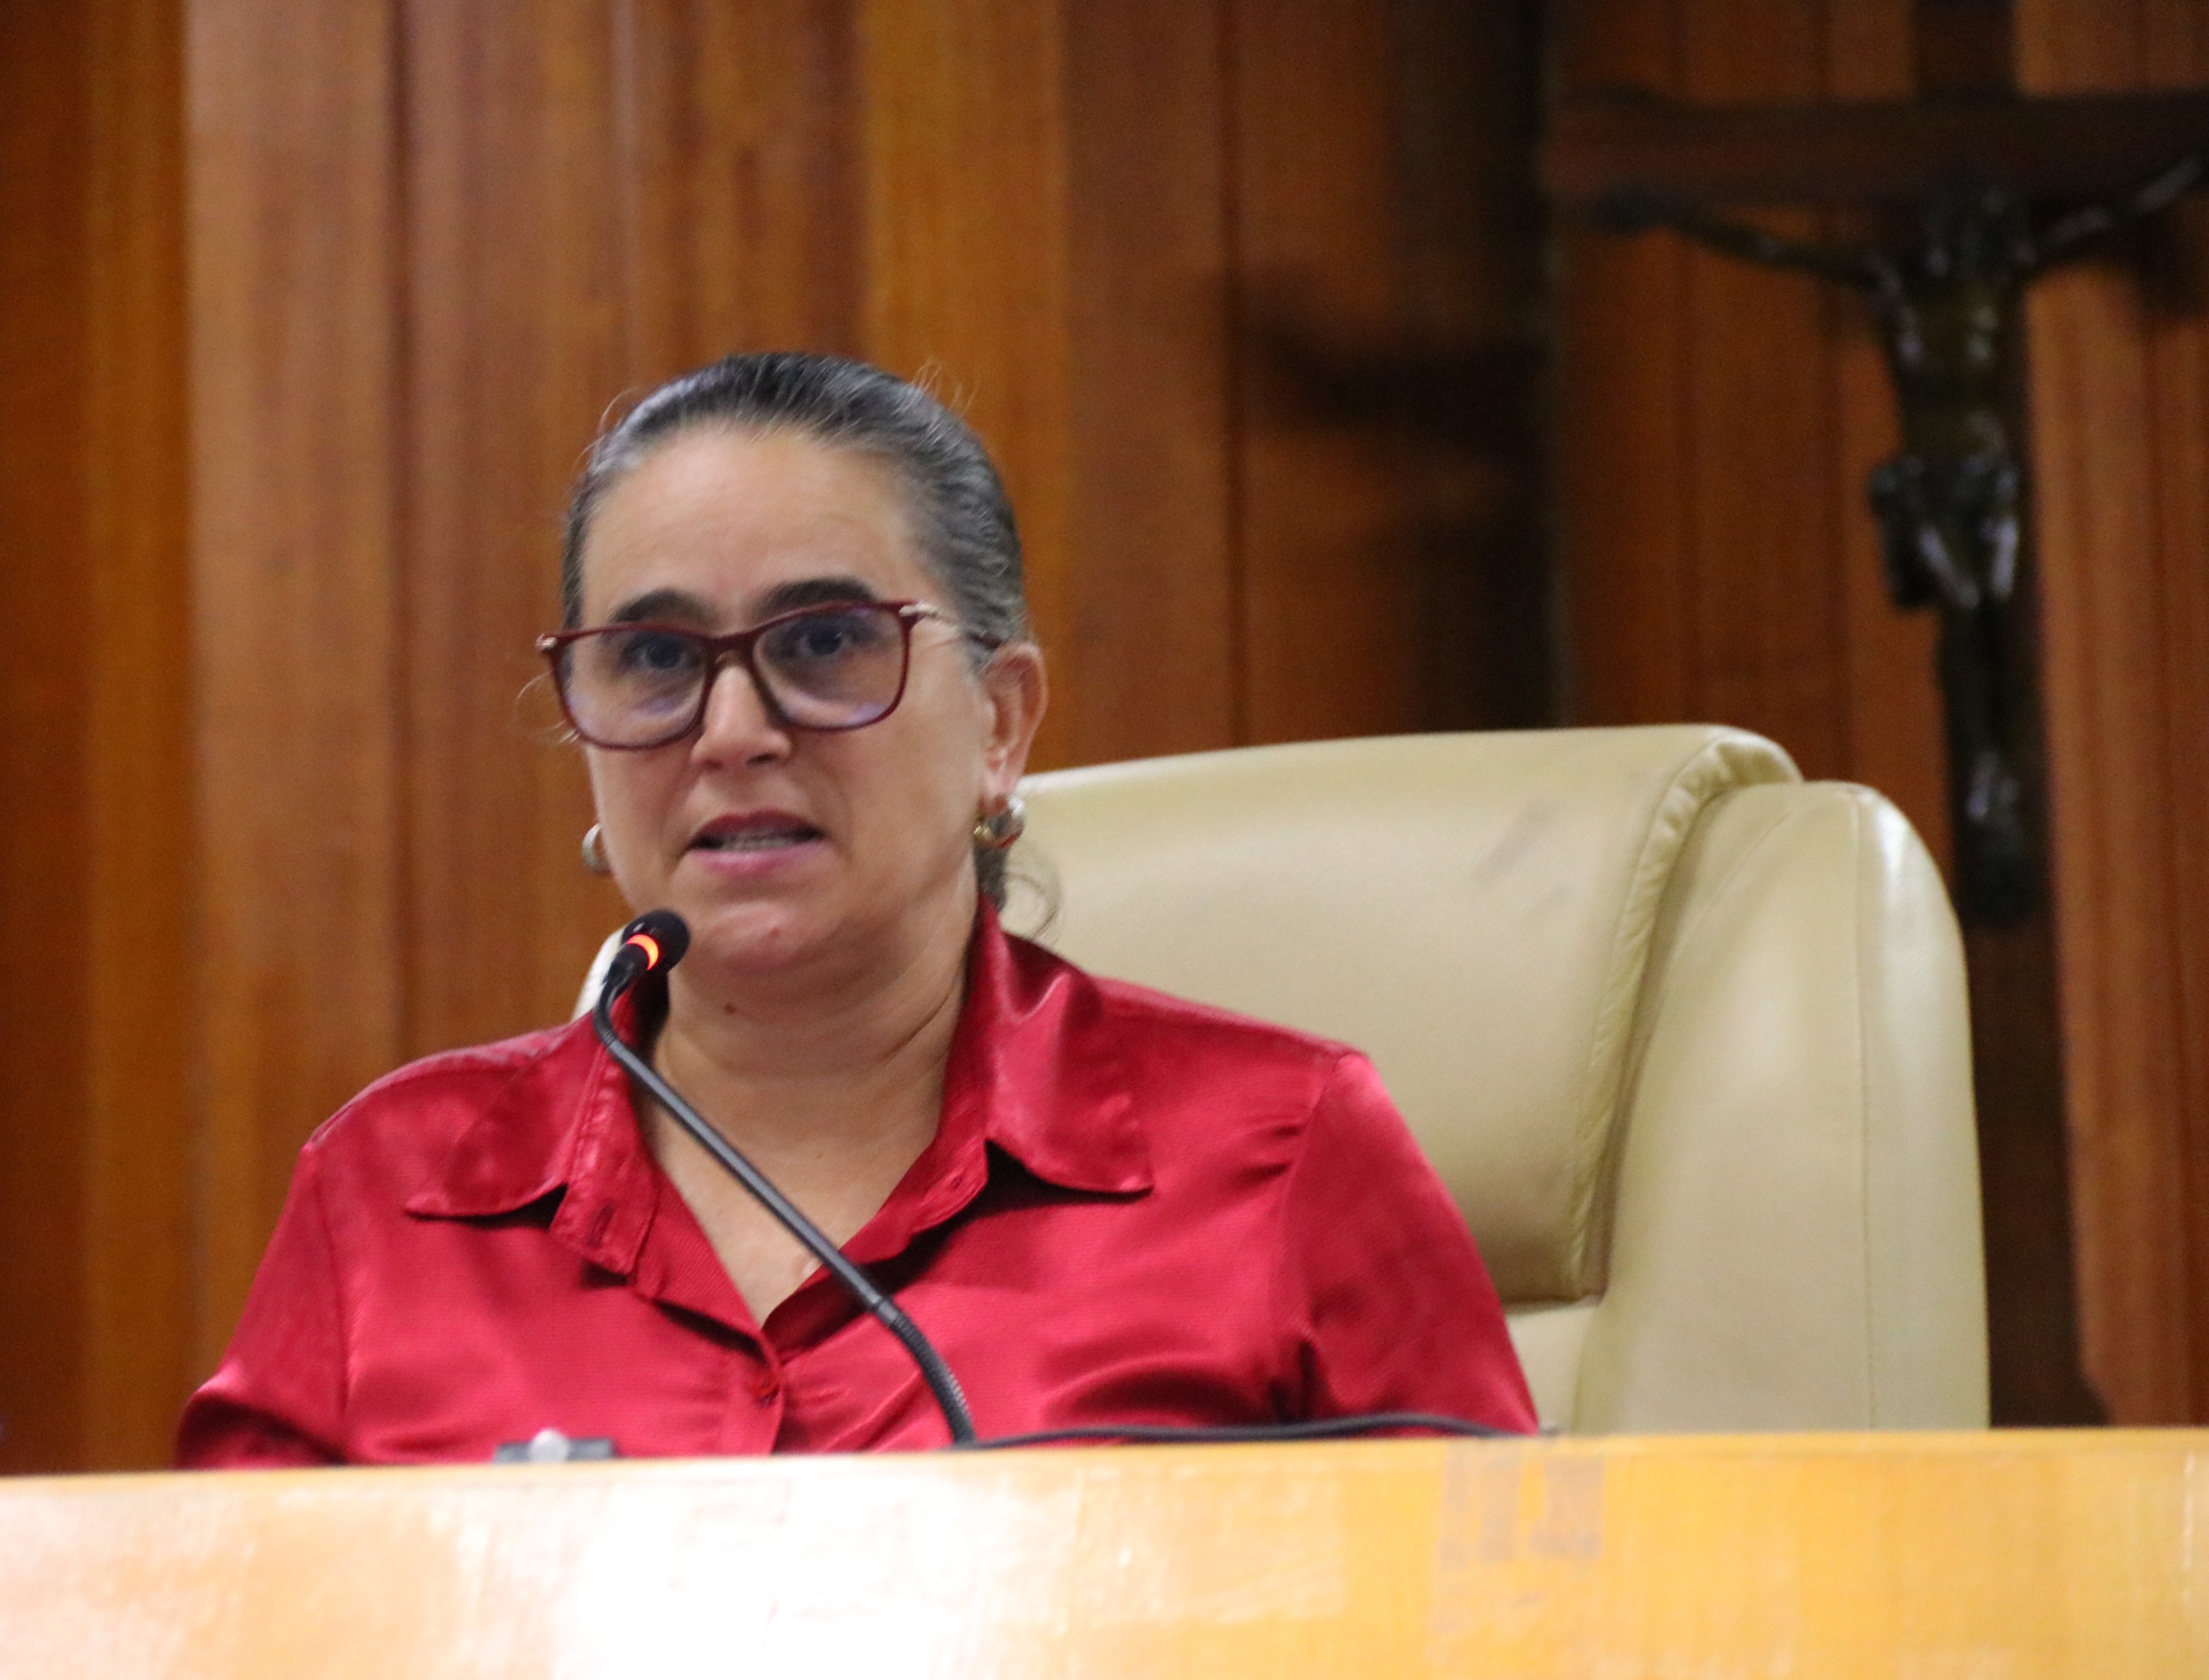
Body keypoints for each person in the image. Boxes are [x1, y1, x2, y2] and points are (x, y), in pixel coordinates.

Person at [178, 353, 1534, 1465]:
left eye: (824, 642)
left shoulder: (1280, 1154)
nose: (731, 730)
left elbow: (1512, 1620)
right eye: (653, 658)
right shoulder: (396, 1193)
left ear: (999, 723)